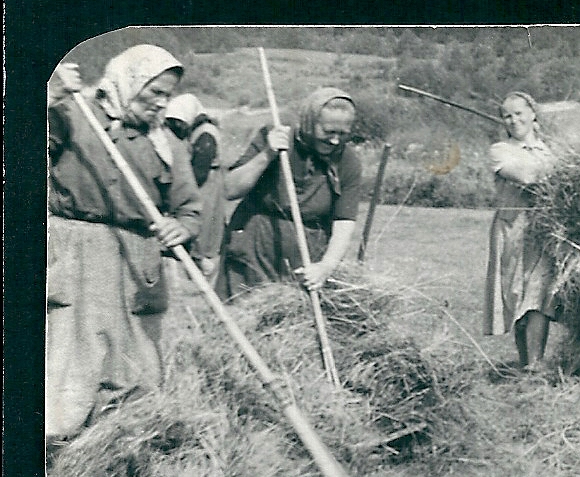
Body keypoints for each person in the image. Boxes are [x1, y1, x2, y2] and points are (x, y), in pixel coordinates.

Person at [46, 45, 202, 440]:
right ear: (129, 83)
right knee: (70, 356)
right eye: (155, 92)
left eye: (168, 95)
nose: (162, 103)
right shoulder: (72, 116)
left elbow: (189, 210)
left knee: (134, 361)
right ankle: (51, 446)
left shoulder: (166, 143)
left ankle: (122, 443)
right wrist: (47, 98)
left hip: (137, 261)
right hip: (76, 251)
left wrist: (179, 228)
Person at [218, 88, 362, 298]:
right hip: (254, 247)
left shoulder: (347, 160)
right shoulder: (275, 136)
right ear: (308, 122)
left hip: (305, 258)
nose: (334, 141)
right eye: (328, 131)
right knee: (240, 317)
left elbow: (344, 222)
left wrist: (325, 267)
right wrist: (268, 154)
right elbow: (230, 189)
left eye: (342, 133)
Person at [483, 91, 559, 371]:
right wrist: (557, 168)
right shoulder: (500, 150)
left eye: (519, 113)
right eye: (507, 115)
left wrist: (555, 161)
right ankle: (526, 360)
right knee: (515, 296)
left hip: (542, 231)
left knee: (538, 296)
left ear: (533, 115)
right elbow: (526, 177)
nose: (513, 120)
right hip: (511, 230)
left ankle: (534, 364)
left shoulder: (550, 150)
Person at [165, 93, 228, 283]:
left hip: (205, 188)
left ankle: (202, 273)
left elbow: (199, 171)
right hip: (204, 185)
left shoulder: (205, 134)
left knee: (203, 229)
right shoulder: (201, 131)